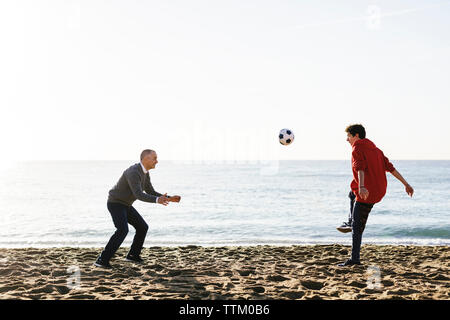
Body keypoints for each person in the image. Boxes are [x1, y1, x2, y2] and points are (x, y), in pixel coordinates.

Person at [337, 124, 414, 266]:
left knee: (357, 228)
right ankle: (350, 220)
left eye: (348, 136)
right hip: (379, 191)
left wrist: (361, 186)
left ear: (356, 136)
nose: (347, 140)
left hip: (367, 192)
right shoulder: (377, 150)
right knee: (351, 193)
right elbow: (391, 168)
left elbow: (359, 167)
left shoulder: (357, 147)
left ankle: (354, 259)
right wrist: (406, 184)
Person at [94, 149, 181, 268]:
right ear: (146, 159)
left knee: (142, 227)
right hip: (116, 203)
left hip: (126, 205)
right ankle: (102, 260)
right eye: (154, 158)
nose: (157, 161)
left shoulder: (144, 172)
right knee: (122, 230)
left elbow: (150, 191)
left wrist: (169, 198)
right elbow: (139, 194)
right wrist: (157, 200)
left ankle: (133, 255)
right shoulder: (133, 172)